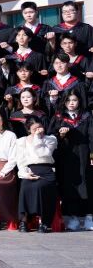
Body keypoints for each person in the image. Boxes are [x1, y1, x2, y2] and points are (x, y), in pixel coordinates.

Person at [50, 91, 93, 231]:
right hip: (66, 156)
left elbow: (92, 136)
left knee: (86, 184)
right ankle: (71, 217)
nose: (71, 103)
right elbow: (51, 136)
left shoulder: (87, 116)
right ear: (64, 102)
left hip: (83, 155)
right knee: (69, 185)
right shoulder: (58, 117)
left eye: (74, 100)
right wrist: (61, 135)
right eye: (68, 100)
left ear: (79, 101)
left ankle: (88, 217)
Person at [15, 119, 59, 232]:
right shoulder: (22, 141)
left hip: (46, 171)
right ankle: (24, 221)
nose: (38, 130)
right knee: (25, 186)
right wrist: (25, 174)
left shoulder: (50, 139)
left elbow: (44, 154)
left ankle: (43, 221)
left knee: (41, 187)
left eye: (40, 127)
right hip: (30, 170)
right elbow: (20, 160)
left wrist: (37, 138)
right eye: (35, 129)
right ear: (29, 129)